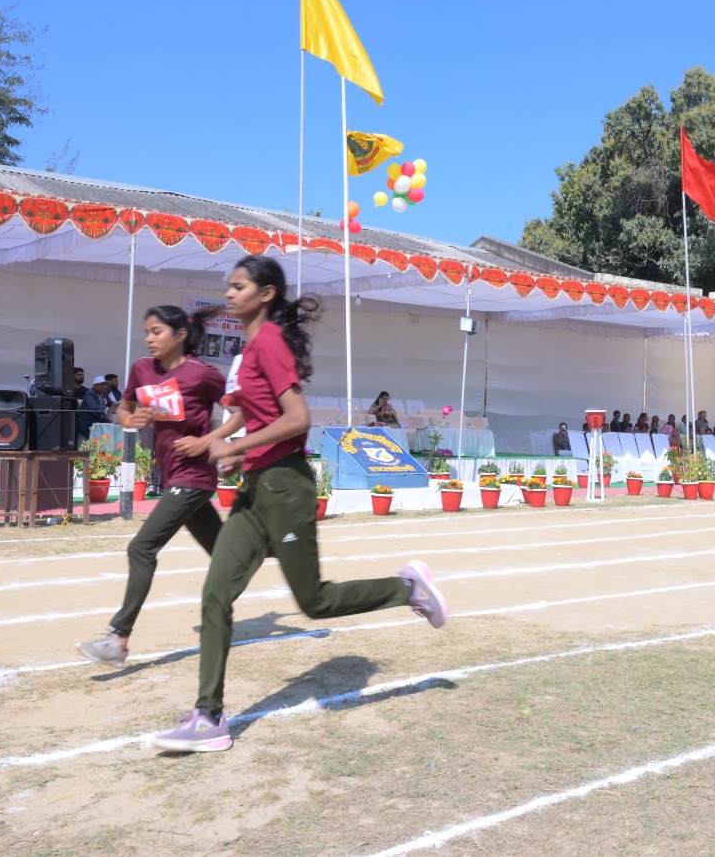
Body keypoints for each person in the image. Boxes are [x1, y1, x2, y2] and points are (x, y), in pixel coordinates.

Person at [153, 255, 448, 752]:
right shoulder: (252, 348)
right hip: (254, 491)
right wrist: (234, 452)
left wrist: (231, 444)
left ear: (266, 293)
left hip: (286, 488)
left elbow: (297, 419)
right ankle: (209, 717)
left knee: (314, 602)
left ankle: (406, 588)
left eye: (239, 286)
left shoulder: (269, 341)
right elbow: (259, 416)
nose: (229, 294)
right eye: (229, 286)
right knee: (216, 594)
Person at [76, 305, 244, 669]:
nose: (149, 339)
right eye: (147, 332)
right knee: (224, 553)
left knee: (141, 548)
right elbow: (124, 409)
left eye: (157, 332)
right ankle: (266, 551)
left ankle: (118, 639)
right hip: (171, 475)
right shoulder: (142, 369)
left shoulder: (203, 374)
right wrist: (131, 419)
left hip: (194, 477)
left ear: (180, 335)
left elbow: (242, 411)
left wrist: (209, 441)